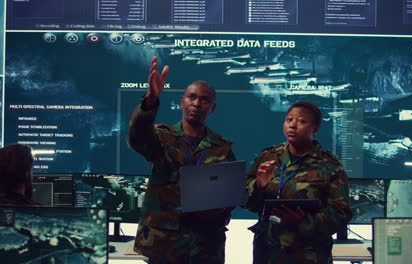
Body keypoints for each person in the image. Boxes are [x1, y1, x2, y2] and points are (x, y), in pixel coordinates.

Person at [128, 56, 236, 264]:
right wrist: (151, 98)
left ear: (212, 107)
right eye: (191, 97)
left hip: (205, 245)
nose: (197, 103)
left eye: (204, 100)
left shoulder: (222, 148)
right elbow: (137, 137)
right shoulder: (161, 137)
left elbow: (230, 194)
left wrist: (218, 209)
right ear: (182, 102)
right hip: (164, 244)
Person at [246, 101, 352, 264]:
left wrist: (304, 222)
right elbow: (247, 203)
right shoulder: (268, 157)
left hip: (309, 255)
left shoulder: (329, 165)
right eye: (289, 120)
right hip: (268, 253)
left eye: (301, 121)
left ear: (315, 129)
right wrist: (259, 186)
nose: (293, 125)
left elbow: (341, 214)